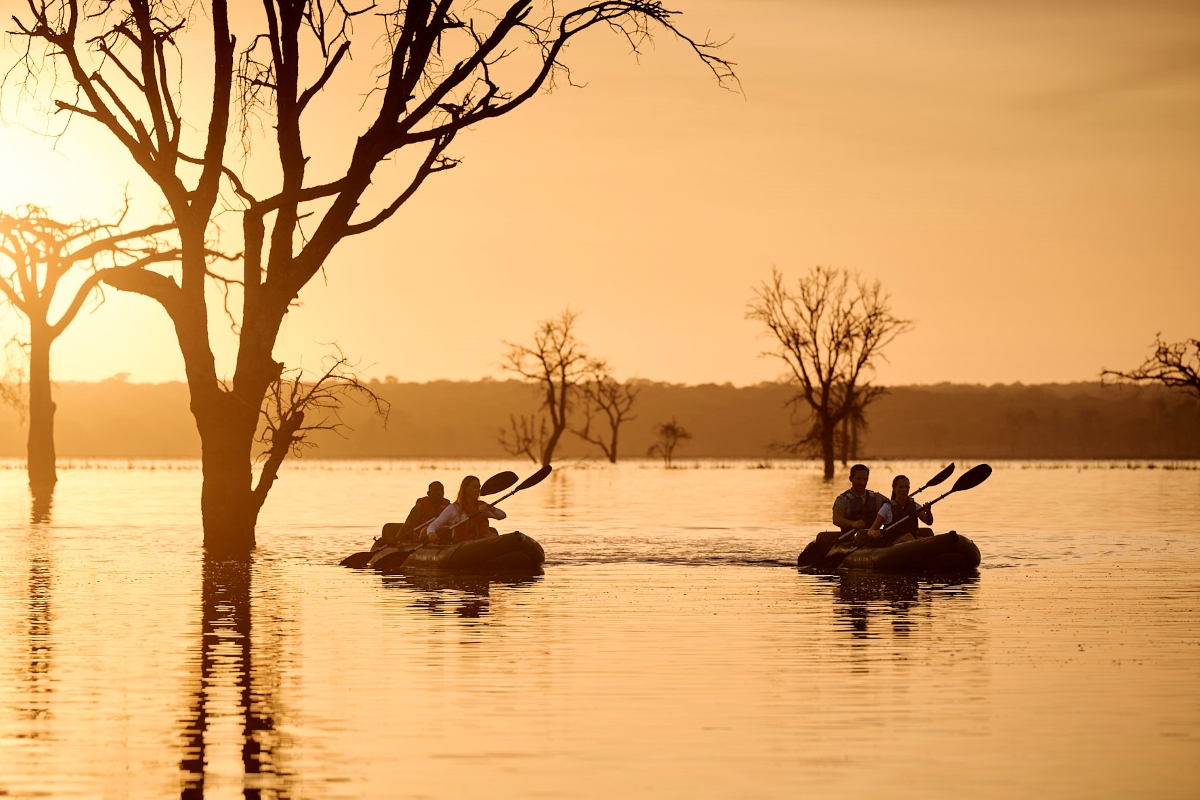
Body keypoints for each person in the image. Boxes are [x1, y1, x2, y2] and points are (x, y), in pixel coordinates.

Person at [423, 475, 507, 543]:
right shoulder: (454, 508)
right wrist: (431, 534)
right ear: (466, 489)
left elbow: (502, 516)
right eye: (475, 487)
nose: (478, 490)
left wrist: (491, 508)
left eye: (479, 487)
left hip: (482, 543)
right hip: (463, 547)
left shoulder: (482, 507)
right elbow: (432, 526)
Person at [862, 474, 934, 545]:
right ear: (894, 489)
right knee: (908, 537)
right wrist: (874, 533)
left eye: (907, 487)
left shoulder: (915, 506)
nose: (904, 490)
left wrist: (928, 512)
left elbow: (929, 522)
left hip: (912, 540)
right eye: (901, 487)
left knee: (921, 538)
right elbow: (871, 530)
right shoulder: (887, 508)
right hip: (893, 544)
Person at [378, 481, 451, 547]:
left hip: (441, 536)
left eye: (441, 491)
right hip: (422, 537)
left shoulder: (448, 507)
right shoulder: (420, 506)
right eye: (435, 491)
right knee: (425, 530)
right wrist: (397, 538)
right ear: (428, 493)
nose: (439, 493)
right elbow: (408, 525)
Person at [832, 464, 887, 533]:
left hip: (873, 538)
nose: (862, 482)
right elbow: (837, 519)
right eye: (858, 479)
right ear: (851, 479)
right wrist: (853, 523)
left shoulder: (877, 498)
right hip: (850, 539)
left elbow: (894, 508)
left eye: (865, 479)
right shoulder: (843, 499)